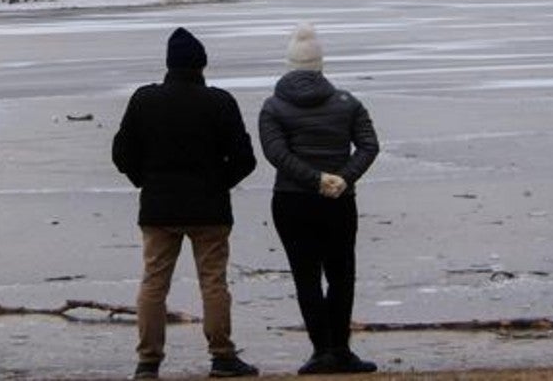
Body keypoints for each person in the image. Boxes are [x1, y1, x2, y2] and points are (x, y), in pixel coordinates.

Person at [112, 27, 260, 379]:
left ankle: (148, 361)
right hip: (209, 209)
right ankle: (222, 355)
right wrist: (218, 184)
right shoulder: (220, 102)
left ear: (169, 64)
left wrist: (146, 181)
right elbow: (245, 159)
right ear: (201, 65)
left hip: (159, 208)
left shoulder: (144, 100)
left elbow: (121, 153)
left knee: (153, 283)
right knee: (213, 282)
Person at [258, 23, 381, 375]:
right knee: (342, 275)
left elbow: (275, 153)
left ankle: (322, 351)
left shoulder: (273, 107)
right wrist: (341, 179)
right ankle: (339, 349)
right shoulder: (348, 103)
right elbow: (369, 145)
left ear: (289, 64)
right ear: (320, 64)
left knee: (306, 276)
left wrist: (315, 180)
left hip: (291, 201)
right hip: (338, 201)